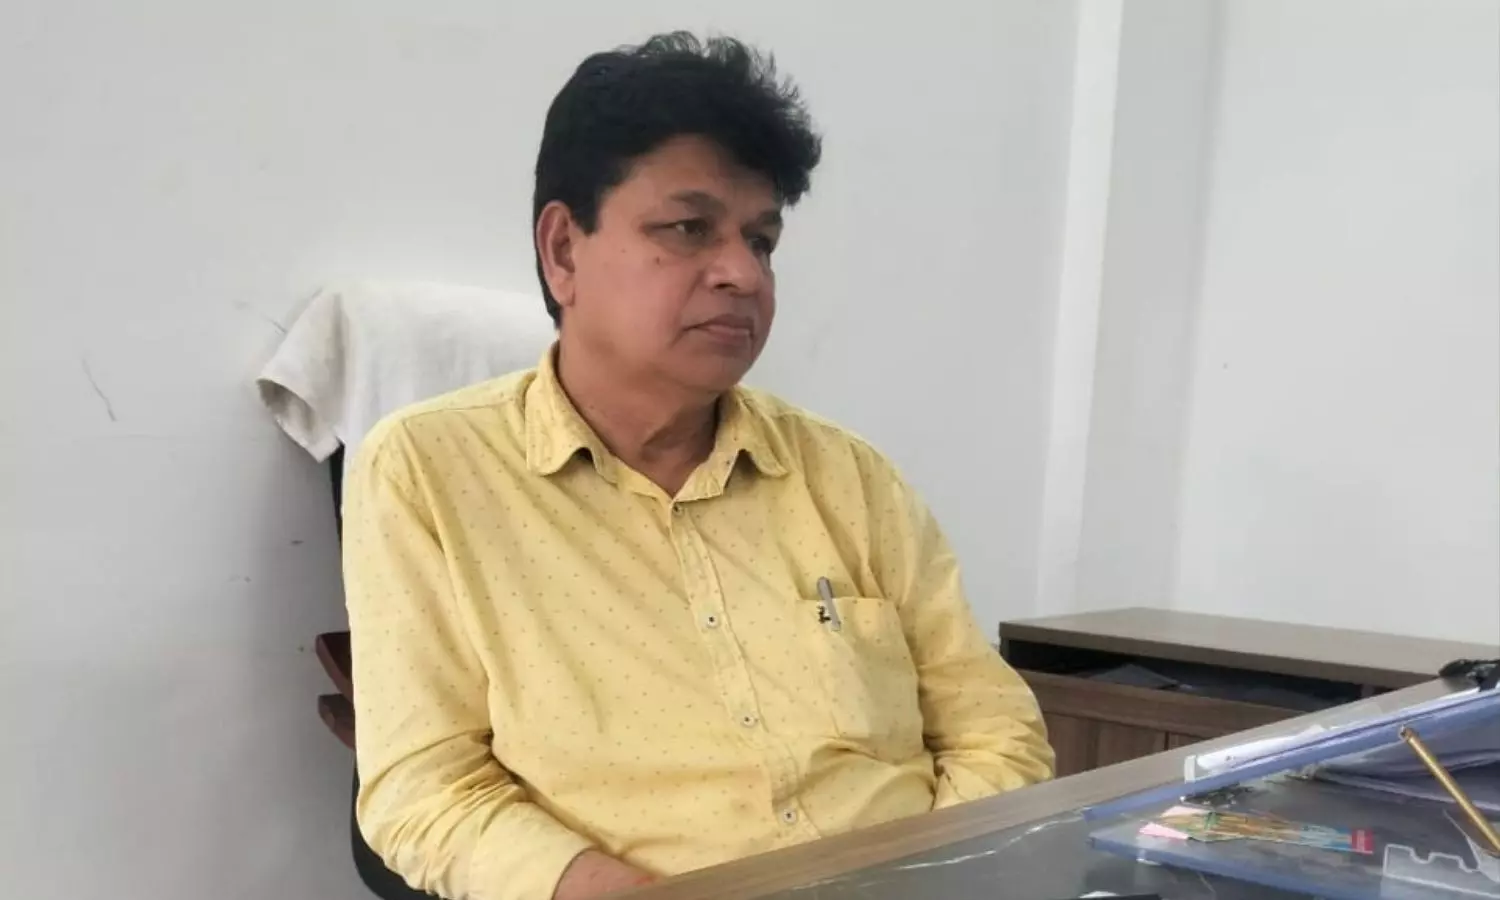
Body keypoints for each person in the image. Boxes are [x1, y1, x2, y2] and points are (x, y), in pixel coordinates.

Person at [342, 31, 1054, 900]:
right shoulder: (429, 472)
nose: (743, 275)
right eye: (688, 229)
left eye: (762, 240)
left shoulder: (850, 477)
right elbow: (425, 791)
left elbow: (995, 731)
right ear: (563, 250)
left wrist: (931, 881)